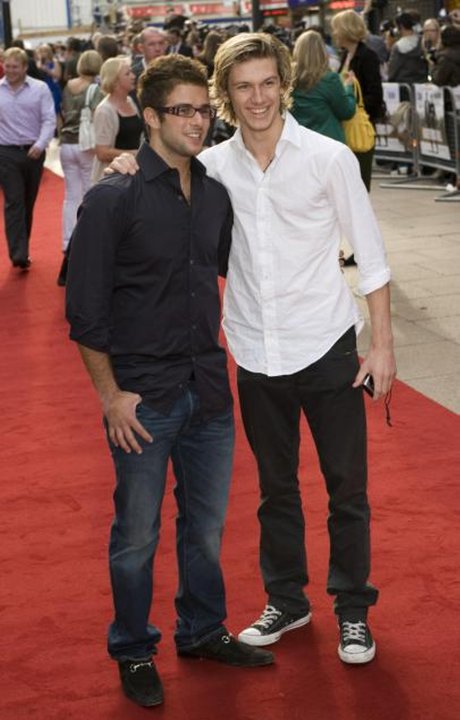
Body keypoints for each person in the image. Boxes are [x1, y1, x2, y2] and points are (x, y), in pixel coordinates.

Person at [110, 32, 397, 666]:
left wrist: (382, 345)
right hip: (254, 351)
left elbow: (372, 257)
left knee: (347, 490)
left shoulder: (327, 158)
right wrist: (129, 160)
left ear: (284, 85)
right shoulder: (212, 165)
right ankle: (287, 601)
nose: (258, 97)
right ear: (226, 95)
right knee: (275, 490)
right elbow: (159, 167)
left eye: (268, 83)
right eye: (243, 87)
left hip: (326, 343)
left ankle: (353, 609)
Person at [65, 54, 274, 709]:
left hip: (208, 388)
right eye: (183, 110)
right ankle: (133, 648)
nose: (198, 121)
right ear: (150, 117)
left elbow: (226, 269)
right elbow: (84, 312)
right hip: (143, 399)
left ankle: (202, 630)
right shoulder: (113, 198)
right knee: (136, 535)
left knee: (205, 528)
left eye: (203, 110)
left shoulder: (213, 193)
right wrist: (110, 396)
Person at [331, 9, 384, 266]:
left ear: (346, 29)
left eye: (336, 28)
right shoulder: (346, 55)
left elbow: (375, 95)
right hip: (345, 132)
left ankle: (368, 252)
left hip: (359, 131)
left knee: (360, 194)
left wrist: (355, 106)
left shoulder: (367, 56)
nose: (334, 33)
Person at [0, 47, 56, 270]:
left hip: (34, 152)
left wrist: (40, 144)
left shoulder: (40, 89)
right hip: (6, 153)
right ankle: (19, 253)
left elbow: (49, 119)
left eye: (15, 67)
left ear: (25, 67)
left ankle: (23, 247)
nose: (10, 70)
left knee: (27, 201)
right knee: (14, 201)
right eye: (7, 66)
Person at [58, 49, 103, 286]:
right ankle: (85, 241)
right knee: (89, 193)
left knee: (71, 195)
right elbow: (98, 116)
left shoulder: (68, 86)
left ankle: (68, 241)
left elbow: (63, 112)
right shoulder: (94, 89)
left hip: (66, 144)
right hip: (86, 145)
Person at [291, 30, 356, 143]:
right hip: (328, 142)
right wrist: (349, 88)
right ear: (322, 52)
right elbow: (346, 112)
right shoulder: (330, 79)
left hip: (299, 141)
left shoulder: (288, 79)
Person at [92, 56, 143, 183]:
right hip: (113, 178)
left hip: (133, 173)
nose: (133, 76)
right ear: (114, 80)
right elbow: (102, 153)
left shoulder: (130, 101)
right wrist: (135, 153)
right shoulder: (104, 110)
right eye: (127, 74)